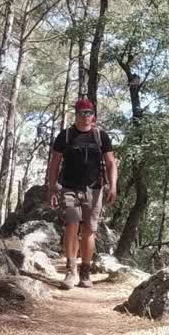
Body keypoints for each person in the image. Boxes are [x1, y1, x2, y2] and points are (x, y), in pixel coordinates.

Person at [47, 98, 117, 289]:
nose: (86, 116)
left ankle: (85, 272)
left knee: (89, 230)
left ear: (93, 115)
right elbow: (54, 163)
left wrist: (113, 185)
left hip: (94, 189)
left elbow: (111, 163)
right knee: (71, 225)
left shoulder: (100, 136)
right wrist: (52, 188)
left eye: (89, 113)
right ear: (76, 114)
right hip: (69, 188)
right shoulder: (66, 135)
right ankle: (71, 271)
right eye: (82, 113)